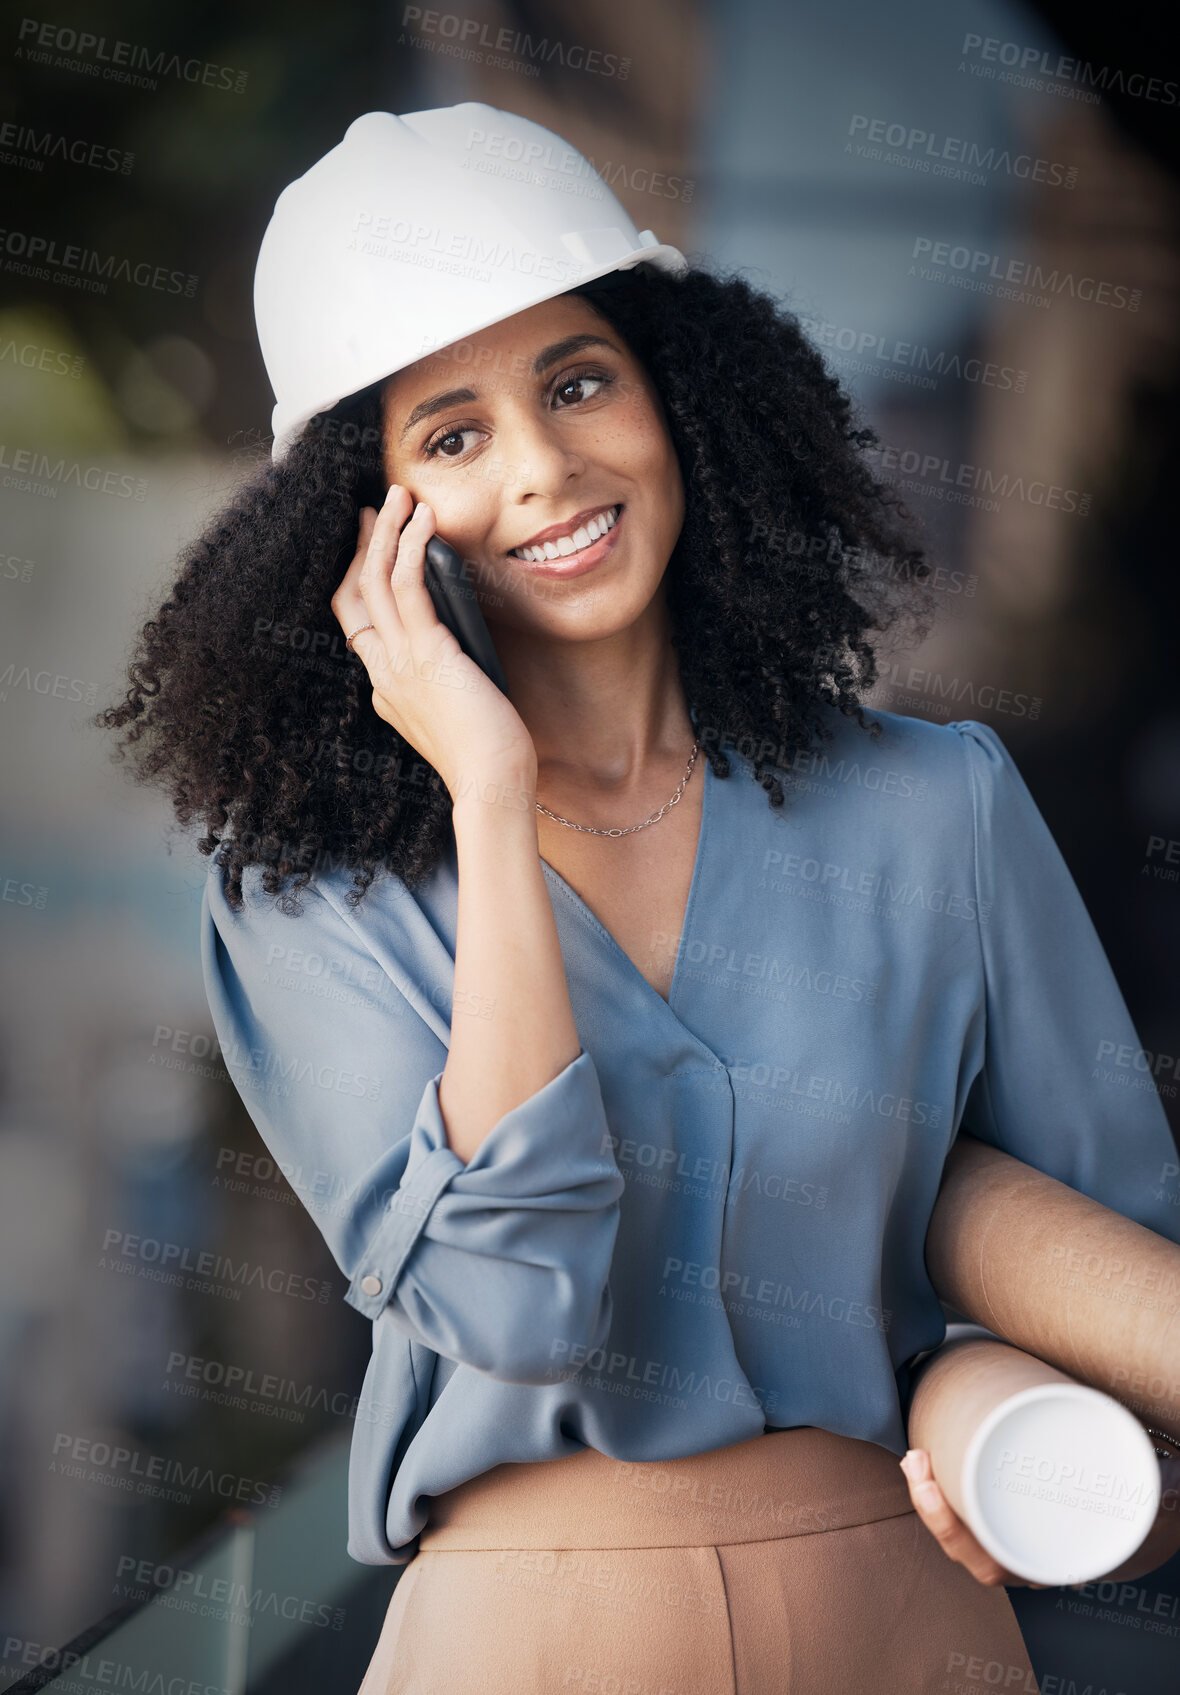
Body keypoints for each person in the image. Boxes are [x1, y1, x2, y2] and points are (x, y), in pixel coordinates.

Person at [100, 105, 1180, 1693]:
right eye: (452, 436)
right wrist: (490, 792)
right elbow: (509, 1304)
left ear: (679, 390)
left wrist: (1056, 1469)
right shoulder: (313, 901)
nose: (546, 469)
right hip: (520, 1647)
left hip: (910, 1632)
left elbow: (1130, 1306)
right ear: (357, 525)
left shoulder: (936, 810)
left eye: (579, 379)